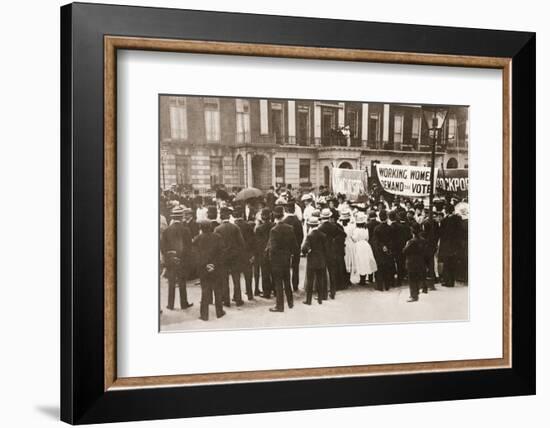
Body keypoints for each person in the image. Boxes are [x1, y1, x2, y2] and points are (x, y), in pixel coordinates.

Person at [160, 206, 194, 310]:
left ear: (173, 217)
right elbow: (189, 247)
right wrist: (186, 259)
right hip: (182, 260)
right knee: (182, 282)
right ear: (181, 217)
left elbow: (163, 247)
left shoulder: (166, 231)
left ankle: (170, 305)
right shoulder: (186, 230)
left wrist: (168, 257)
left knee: (171, 282)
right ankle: (184, 303)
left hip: (171, 259)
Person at [266, 206, 298, 312]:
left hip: (277, 260)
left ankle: (279, 306)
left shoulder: (273, 230)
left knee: (278, 283)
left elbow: (273, 248)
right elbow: (294, 245)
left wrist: (270, 258)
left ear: (274, 216)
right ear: (283, 215)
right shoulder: (290, 228)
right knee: (287, 280)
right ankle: (290, 302)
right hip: (287, 257)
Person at [193, 220, 226, 320]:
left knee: (205, 290)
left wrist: (205, 264)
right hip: (216, 267)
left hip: (203, 268)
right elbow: (222, 252)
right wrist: (213, 264)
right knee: (217, 289)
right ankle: (219, 312)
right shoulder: (217, 237)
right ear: (211, 227)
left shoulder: (197, 239)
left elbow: (195, 255)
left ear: (201, 228)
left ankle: (204, 315)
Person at [214, 206, 245, 307]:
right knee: (236, 278)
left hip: (223, 257)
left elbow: (216, 245)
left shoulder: (217, 229)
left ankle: (226, 301)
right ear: (229, 215)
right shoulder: (235, 227)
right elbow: (241, 243)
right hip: (234, 256)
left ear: (221, 216)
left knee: (224, 279)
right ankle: (238, 300)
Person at [318, 208, 346, 299]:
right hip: (332, 251)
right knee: (332, 272)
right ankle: (333, 292)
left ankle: (324, 294)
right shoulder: (333, 227)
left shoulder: (320, 228)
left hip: (323, 252)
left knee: (323, 273)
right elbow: (343, 234)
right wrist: (334, 240)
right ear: (329, 217)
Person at [301, 216, 328, 305]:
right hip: (321, 260)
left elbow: (304, 248)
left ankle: (308, 300)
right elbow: (326, 248)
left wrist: (307, 252)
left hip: (312, 260)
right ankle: (320, 299)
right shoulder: (323, 235)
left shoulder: (310, 236)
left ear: (310, 225)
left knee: (310, 280)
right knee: (320, 279)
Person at [233, 207, 256, 300]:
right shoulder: (248, 225)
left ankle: (237, 296)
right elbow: (253, 241)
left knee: (236, 276)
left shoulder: (233, 226)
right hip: (247, 254)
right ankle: (250, 294)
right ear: (242, 215)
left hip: (237, 255)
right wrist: (252, 254)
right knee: (248, 275)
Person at [438, 204, 463, 287]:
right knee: (452, 263)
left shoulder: (445, 220)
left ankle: (447, 281)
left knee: (447, 263)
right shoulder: (458, 219)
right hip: (455, 245)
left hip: (447, 245)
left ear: (447, 211)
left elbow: (441, 233)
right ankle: (451, 281)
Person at [282, 200, 303, 292]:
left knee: (286, 267)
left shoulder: (284, 221)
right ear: (294, 209)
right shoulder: (298, 221)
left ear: (287, 209)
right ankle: (295, 285)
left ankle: (287, 286)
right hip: (296, 248)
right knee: (295, 267)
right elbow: (301, 235)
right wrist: (298, 245)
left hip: (286, 248)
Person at [403, 223, 427, 302]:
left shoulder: (411, 241)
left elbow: (405, 251)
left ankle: (413, 295)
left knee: (412, 279)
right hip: (420, 261)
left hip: (411, 262)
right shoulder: (423, 240)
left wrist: (406, 245)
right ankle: (417, 292)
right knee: (417, 277)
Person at [351, 213, 378, 285]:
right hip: (366, 245)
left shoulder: (356, 230)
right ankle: (370, 277)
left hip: (359, 245)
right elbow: (367, 238)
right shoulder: (365, 229)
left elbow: (355, 238)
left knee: (361, 261)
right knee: (368, 260)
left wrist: (352, 238)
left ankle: (362, 279)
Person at [373, 210, 396, 291]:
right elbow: (392, 240)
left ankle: (379, 286)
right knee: (387, 268)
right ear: (386, 218)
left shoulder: (376, 228)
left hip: (379, 251)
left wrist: (382, 246)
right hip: (388, 251)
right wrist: (387, 247)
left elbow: (376, 241)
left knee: (380, 268)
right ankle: (387, 285)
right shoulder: (390, 228)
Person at [255, 208, 274, 298]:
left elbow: (258, 243)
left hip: (263, 252)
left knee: (265, 272)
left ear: (262, 217)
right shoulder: (274, 225)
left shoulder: (259, 228)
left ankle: (266, 292)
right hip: (273, 251)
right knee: (273, 271)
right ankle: (275, 290)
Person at [391, 210, 412, 286]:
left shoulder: (396, 226)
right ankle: (402, 277)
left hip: (396, 247)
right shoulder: (407, 226)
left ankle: (398, 279)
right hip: (404, 246)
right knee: (402, 262)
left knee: (397, 262)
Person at [339, 209, 355, 286]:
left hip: (345, 244)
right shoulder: (350, 227)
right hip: (348, 244)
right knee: (348, 261)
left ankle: (346, 279)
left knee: (346, 261)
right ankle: (347, 279)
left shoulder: (341, 227)